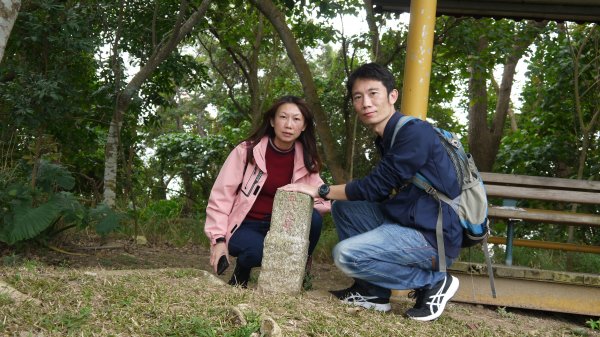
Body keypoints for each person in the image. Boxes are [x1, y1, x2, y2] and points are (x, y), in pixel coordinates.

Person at [279, 63, 461, 321]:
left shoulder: (414, 132)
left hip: (433, 237)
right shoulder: (389, 135)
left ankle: (432, 282)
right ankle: (372, 293)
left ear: (392, 96)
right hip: (412, 221)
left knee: (346, 255)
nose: (366, 103)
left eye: (373, 93)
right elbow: (375, 192)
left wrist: (319, 189)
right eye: (358, 96)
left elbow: (375, 186)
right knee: (344, 207)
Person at [204, 95, 330, 288]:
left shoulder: (306, 159)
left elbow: (321, 199)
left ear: (303, 126)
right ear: (272, 121)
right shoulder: (247, 151)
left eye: (296, 119)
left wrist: (318, 198)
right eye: (283, 117)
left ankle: (300, 266)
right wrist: (218, 239)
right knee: (258, 253)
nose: (289, 125)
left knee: (313, 218)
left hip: (279, 225)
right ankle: (242, 271)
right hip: (244, 225)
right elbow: (222, 196)